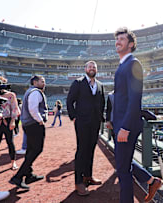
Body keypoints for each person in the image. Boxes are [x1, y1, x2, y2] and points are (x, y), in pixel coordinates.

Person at [113, 27, 163, 203]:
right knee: (123, 164)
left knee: (123, 170)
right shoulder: (123, 65)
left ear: (131, 44)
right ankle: (152, 180)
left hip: (127, 126)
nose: (118, 41)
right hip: (120, 124)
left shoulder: (133, 64)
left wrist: (125, 126)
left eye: (122, 39)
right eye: (117, 39)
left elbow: (135, 99)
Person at [67, 60, 105, 196]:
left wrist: (101, 118)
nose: (92, 68)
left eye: (94, 67)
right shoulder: (78, 83)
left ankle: (88, 176)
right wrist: (74, 117)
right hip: (82, 122)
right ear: (85, 69)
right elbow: (70, 100)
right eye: (90, 66)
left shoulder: (100, 85)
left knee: (91, 149)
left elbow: (102, 103)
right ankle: (78, 182)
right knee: (82, 150)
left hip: (95, 123)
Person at [10, 75, 47, 190]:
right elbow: (33, 109)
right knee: (36, 149)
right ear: (35, 82)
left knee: (31, 149)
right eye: (42, 81)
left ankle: (29, 175)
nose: (44, 83)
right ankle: (18, 176)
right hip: (34, 125)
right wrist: (40, 121)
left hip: (29, 124)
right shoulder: (35, 92)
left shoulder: (30, 91)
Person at [0, 89, 20, 172]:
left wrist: (13, 121)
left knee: (10, 142)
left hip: (7, 121)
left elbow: (14, 108)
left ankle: (13, 162)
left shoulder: (11, 95)